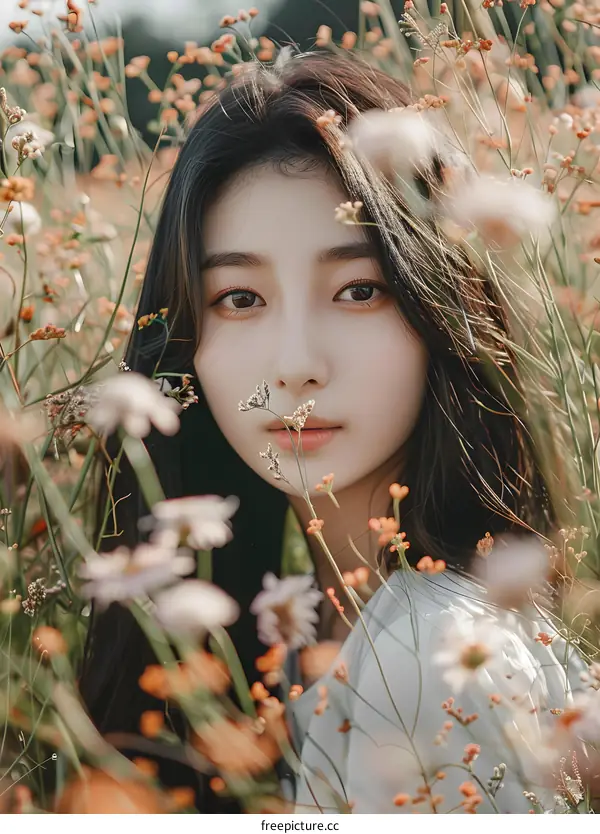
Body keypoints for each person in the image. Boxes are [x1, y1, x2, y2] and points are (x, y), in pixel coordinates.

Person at [78, 49, 576, 813]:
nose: (296, 366)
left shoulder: (433, 658)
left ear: (440, 309)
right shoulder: (303, 629)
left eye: (359, 289)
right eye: (239, 299)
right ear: (184, 343)